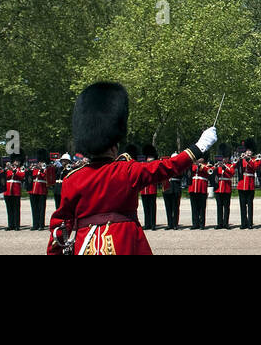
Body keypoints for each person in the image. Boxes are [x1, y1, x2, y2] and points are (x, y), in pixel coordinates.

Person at [48, 82, 216, 255]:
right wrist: (199, 147)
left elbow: (60, 227)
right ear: (114, 146)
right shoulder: (126, 170)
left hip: (85, 245)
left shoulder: (72, 178)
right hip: (124, 241)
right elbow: (167, 167)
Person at [236, 139, 260, 229]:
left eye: (250, 151)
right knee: (242, 205)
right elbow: (234, 166)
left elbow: (255, 167)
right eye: (247, 151)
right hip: (242, 185)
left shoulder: (254, 160)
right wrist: (240, 158)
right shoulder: (241, 159)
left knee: (250, 205)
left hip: (250, 185)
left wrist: (248, 160)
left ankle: (250, 223)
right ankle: (243, 223)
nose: (249, 152)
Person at [29, 149, 53, 230]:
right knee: (34, 208)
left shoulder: (47, 169)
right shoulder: (34, 168)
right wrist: (32, 169)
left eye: (41, 161)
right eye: (39, 161)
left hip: (42, 190)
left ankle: (41, 224)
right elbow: (29, 176)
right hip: (33, 190)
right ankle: (35, 224)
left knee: (41, 208)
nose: (40, 163)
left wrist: (42, 169)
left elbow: (47, 177)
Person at [213, 144, 235, 229]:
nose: (224, 159)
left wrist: (224, 167)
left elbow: (231, 173)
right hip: (218, 188)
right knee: (219, 206)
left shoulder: (229, 166)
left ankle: (226, 223)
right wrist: (216, 167)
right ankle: (219, 223)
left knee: (226, 207)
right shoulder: (217, 166)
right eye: (223, 157)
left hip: (226, 188)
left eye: (226, 157)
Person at [187, 155, 212, 229]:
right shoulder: (192, 165)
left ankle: (202, 224)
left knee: (202, 207)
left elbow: (208, 171)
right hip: (193, 188)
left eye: (200, 158)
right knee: (194, 207)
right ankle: (195, 224)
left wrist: (200, 165)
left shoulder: (206, 166)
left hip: (202, 188)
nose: (198, 159)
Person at [3, 156, 26, 230]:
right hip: (7, 191)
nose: (17, 162)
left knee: (16, 209)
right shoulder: (7, 169)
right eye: (16, 161)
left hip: (16, 191)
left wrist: (13, 170)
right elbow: (3, 177)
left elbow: (22, 176)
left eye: (18, 161)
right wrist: (6, 169)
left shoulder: (21, 169)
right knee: (9, 209)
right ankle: (10, 225)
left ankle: (17, 225)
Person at [162, 154, 183, 229]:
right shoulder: (167, 165)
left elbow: (180, 174)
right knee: (168, 207)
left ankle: (175, 224)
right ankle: (169, 224)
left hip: (176, 188)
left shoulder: (180, 165)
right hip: (167, 188)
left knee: (175, 207)